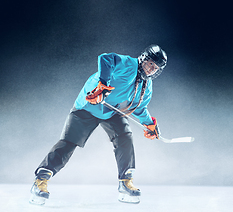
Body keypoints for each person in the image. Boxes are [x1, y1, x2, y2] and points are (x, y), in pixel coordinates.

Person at [29, 44, 167, 205]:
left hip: (111, 111)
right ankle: (40, 180)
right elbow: (106, 58)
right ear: (144, 58)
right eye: (151, 64)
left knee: (125, 137)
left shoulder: (146, 85)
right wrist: (103, 84)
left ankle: (125, 182)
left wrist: (149, 124)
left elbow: (139, 107)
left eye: (156, 68)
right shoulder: (128, 64)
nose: (152, 69)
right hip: (88, 107)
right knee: (69, 143)